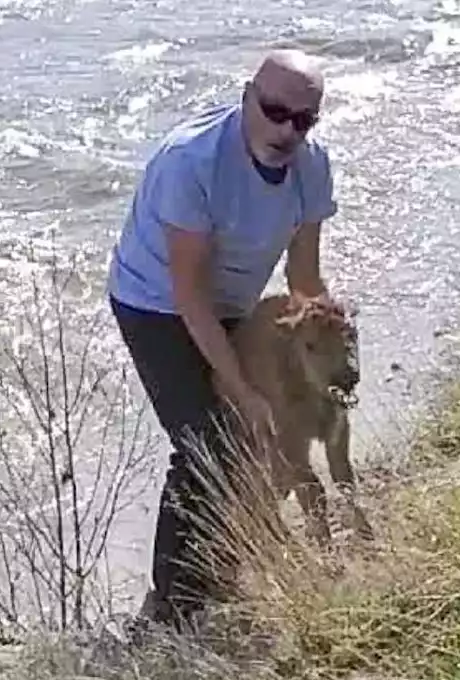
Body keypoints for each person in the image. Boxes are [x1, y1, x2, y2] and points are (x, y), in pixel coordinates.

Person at [105, 48, 338, 631]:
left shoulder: (311, 168)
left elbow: (304, 279)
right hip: (155, 302)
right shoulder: (193, 162)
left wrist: (325, 341)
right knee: (209, 440)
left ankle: (226, 566)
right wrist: (241, 389)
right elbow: (189, 296)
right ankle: (170, 612)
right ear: (247, 98)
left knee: (273, 427)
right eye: (275, 110)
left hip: (232, 303)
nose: (286, 129)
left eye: (302, 119)